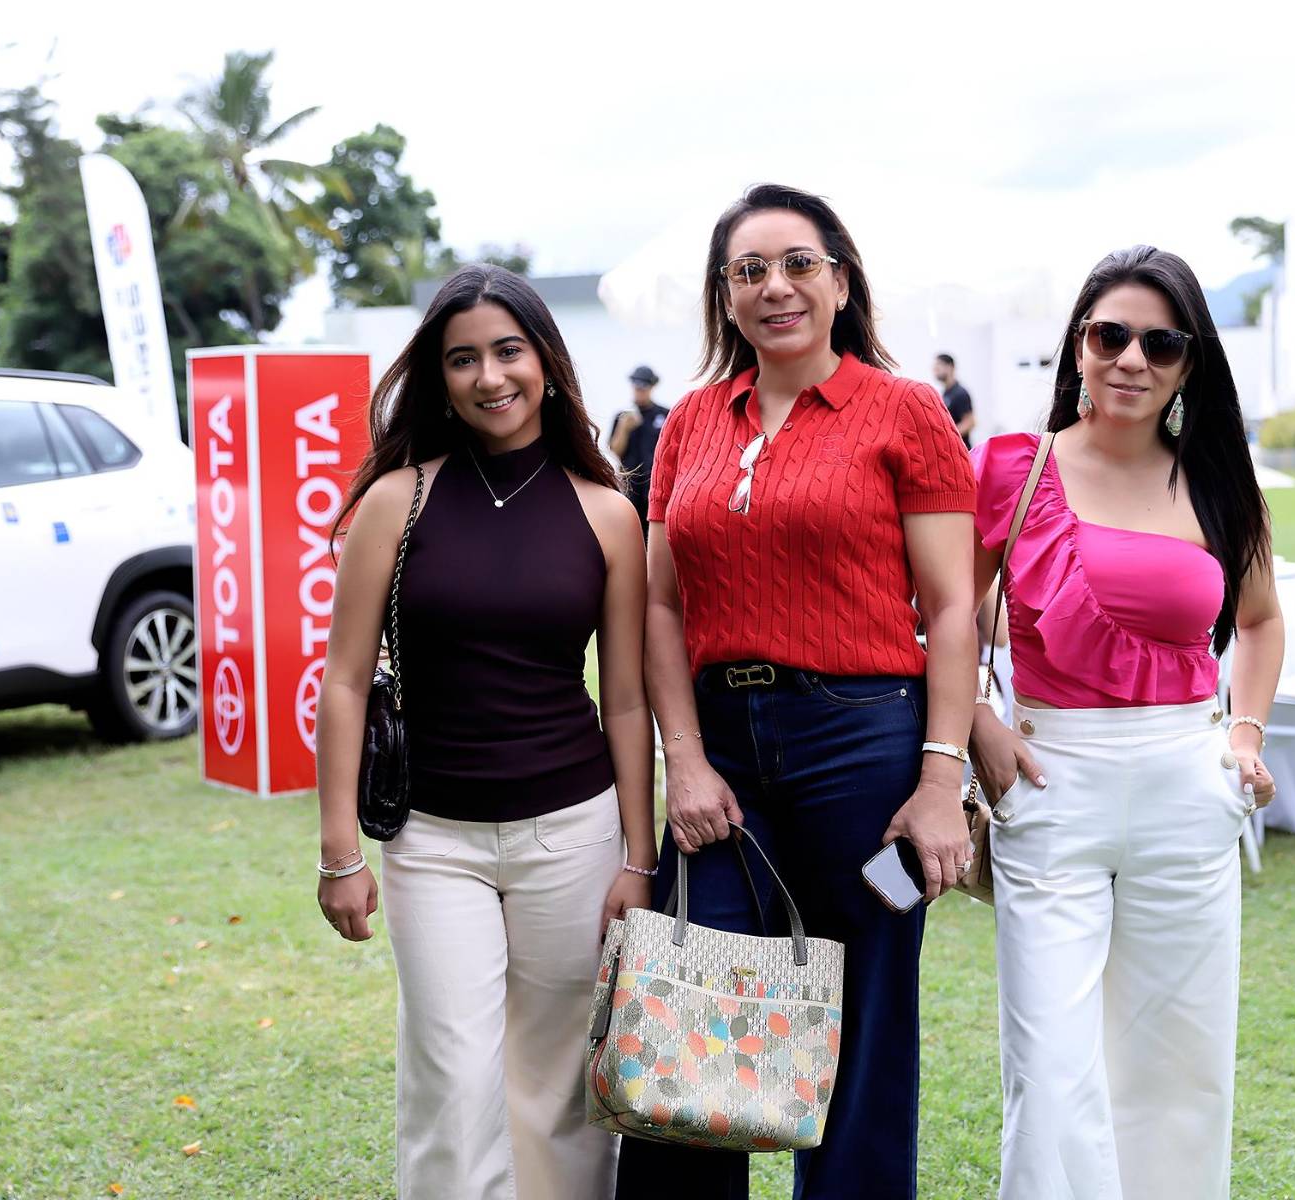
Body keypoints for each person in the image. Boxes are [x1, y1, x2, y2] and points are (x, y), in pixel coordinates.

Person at [614, 183, 978, 1200]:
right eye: (749, 271)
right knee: (691, 1011)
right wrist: (684, 759)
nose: (775, 287)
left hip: (863, 742)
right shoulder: (690, 422)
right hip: (721, 747)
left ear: (839, 282)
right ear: (725, 296)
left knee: (864, 1021)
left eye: (797, 264)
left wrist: (939, 779)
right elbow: (661, 606)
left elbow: (953, 606)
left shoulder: (904, 411)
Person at [314, 264, 655, 1200]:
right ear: (439, 377)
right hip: (432, 842)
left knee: (557, 1083)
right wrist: (340, 853)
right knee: (451, 1076)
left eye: (508, 351)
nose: (489, 376)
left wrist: (639, 855)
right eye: (462, 359)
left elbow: (626, 701)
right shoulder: (397, 500)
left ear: (546, 360)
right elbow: (344, 682)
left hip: (572, 836)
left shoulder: (608, 514)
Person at [968, 245, 1284, 1200]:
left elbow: (1260, 623)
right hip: (1050, 782)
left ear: (1189, 364)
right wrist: (980, 721)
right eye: (1109, 336)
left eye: (1161, 343)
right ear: (1077, 346)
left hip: (1186, 785)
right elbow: (937, 617)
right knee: (1049, 1070)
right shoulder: (1011, 470)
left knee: (1178, 1067)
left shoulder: (1218, 484)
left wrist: (1242, 736)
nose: (1131, 360)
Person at [608, 364, 669, 532]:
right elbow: (615, 451)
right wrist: (624, 428)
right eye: (636, 385)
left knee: (654, 528)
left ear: (652, 386)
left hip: (656, 484)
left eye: (644, 386)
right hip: (631, 484)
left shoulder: (665, 414)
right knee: (631, 529)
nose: (639, 390)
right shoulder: (623, 416)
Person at [934, 353, 975, 446]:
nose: (935, 370)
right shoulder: (946, 393)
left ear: (950, 367)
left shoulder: (960, 393)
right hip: (951, 448)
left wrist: (948, 437)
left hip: (962, 448)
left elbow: (970, 422)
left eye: (938, 366)